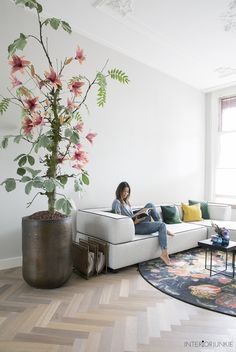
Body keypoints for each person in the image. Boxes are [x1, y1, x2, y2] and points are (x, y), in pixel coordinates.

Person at [112, 181, 172, 266]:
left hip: (136, 222)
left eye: (127, 192)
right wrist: (133, 221)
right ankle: (164, 253)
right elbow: (118, 219)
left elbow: (131, 215)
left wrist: (140, 215)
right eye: (124, 191)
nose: (125, 193)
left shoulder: (127, 202)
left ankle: (164, 229)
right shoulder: (117, 202)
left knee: (150, 205)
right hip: (132, 226)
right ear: (119, 191)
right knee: (162, 225)